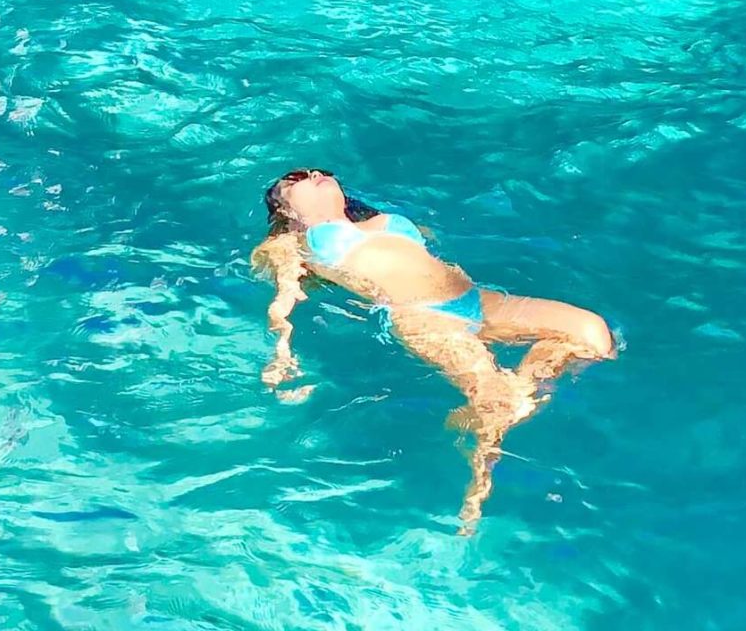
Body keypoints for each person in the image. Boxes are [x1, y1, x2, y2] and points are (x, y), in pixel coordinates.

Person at [253, 169, 616, 536]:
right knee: (500, 402)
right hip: (424, 318)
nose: (315, 174)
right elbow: (284, 299)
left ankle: (499, 399)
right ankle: (476, 497)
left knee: (591, 333)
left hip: (476, 301)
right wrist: (282, 353)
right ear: (286, 210)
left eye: (321, 171)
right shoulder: (293, 243)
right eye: (298, 178)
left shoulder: (381, 220)